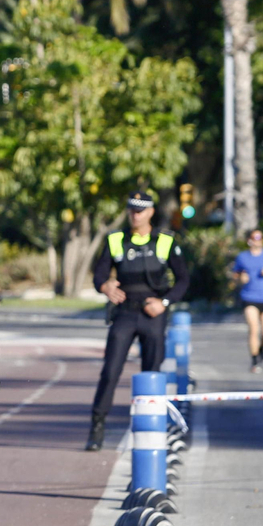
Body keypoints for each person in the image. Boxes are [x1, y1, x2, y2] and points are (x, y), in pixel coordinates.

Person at [84, 191, 189, 451]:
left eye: (140, 210)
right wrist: (105, 287)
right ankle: (97, 426)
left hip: (154, 313)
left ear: (151, 212)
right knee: (110, 371)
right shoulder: (115, 239)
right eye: (131, 209)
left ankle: (152, 426)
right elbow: (98, 277)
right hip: (125, 313)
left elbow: (184, 280)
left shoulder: (165, 240)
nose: (135, 214)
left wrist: (163, 303)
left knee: (152, 372)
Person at [231, 228, 263, 372]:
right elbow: (235, 275)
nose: (258, 240)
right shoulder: (242, 257)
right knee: (254, 328)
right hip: (249, 298)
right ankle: (254, 360)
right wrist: (241, 279)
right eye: (255, 237)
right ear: (249, 240)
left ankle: (262, 349)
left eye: (260, 237)